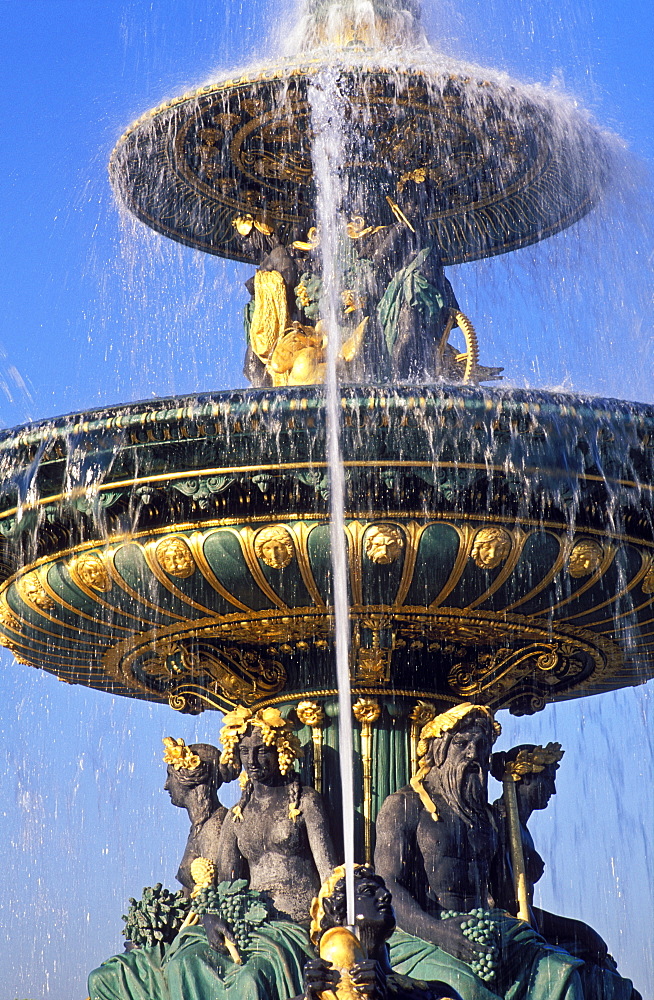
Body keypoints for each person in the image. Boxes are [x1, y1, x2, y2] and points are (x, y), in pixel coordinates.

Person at [374, 703, 588, 1000]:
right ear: (439, 751)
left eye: (482, 745)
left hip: (486, 930)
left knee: (563, 974)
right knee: (471, 992)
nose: (473, 754)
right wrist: (440, 934)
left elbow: (506, 898)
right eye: (462, 744)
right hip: (420, 933)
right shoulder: (405, 806)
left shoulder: (489, 820)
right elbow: (387, 885)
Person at [491, 744, 640, 1000]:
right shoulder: (502, 824)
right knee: (604, 983)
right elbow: (509, 905)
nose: (553, 790)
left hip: (529, 928)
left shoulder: (520, 829)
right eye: (547, 780)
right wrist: (577, 928)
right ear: (525, 777)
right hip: (509, 932)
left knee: (608, 975)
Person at [215, 705, 338, 924]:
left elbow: (328, 873)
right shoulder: (235, 816)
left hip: (299, 919)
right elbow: (225, 885)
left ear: (280, 751)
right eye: (244, 751)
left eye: (262, 751)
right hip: (253, 922)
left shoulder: (304, 802)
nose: (251, 761)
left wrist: (329, 920)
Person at [297, 864, 462, 1000]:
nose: (386, 896)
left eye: (384, 891)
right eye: (368, 892)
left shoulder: (436, 994)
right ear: (337, 911)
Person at [161, 737, 235, 894]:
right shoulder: (199, 827)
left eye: (170, 776)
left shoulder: (215, 826)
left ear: (189, 778)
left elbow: (215, 893)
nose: (166, 785)